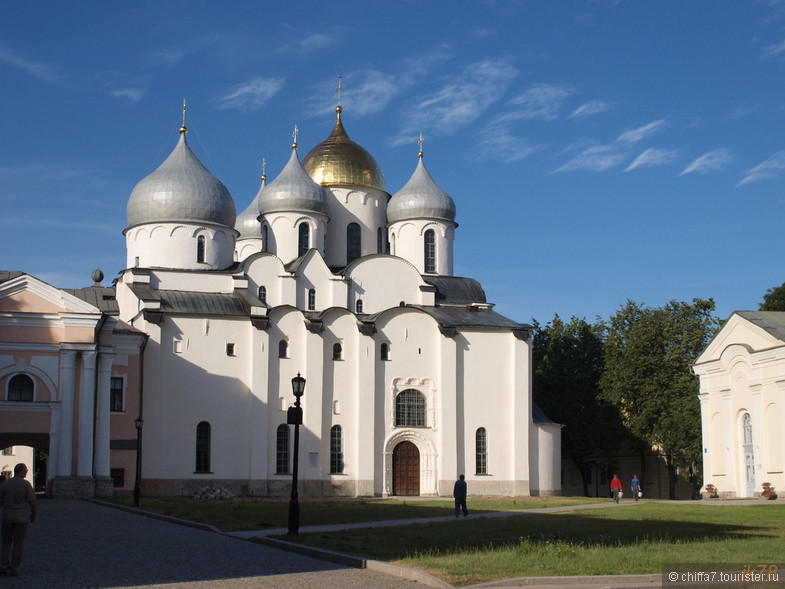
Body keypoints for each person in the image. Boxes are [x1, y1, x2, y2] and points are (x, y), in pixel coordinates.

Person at [0, 463, 36, 577]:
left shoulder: (5, 484)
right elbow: (32, 501)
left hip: (7, 517)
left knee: (5, 542)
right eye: (26, 470)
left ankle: (3, 566)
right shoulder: (26, 484)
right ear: (20, 471)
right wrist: (33, 513)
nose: (27, 471)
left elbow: (0, 501)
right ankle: (14, 568)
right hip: (21, 518)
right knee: (18, 543)